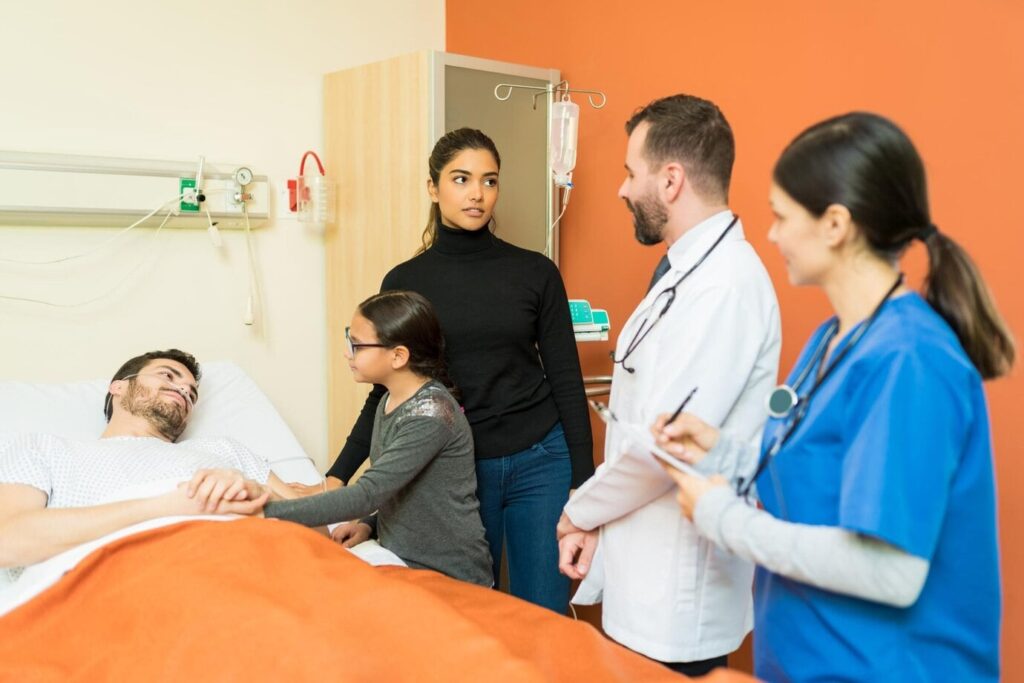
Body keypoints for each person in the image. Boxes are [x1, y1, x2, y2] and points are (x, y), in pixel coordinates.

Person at [654, 112, 1014, 681]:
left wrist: (724, 519)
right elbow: (821, 473)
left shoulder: (910, 360)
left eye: (781, 217)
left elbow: (890, 571)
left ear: (835, 224)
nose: (770, 235)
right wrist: (724, 453)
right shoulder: (836, 338)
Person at [309, 128, 593, 610]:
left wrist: (584, 486)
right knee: (474, 611)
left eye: (489, 181)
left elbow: (566, 378)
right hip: (460, 468)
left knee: (544, 613)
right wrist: (337, 476)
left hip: (540, 460)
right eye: (461, 179)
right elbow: (389, 392)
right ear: (433, 187)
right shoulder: (406, 282)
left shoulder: (535, 272)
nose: (477, 193)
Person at [555, 94, 781, 676]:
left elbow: (664, 445)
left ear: (671, 179)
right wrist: (598, 521)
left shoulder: (724, 287)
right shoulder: (686, 273)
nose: (623, 189)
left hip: (680, 592)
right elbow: (643, 419)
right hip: (644, 568)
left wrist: (580, 511)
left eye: (632, 173)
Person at [264, 291, 493, 586]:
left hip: (451, 572)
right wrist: (369, 525)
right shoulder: (390, 400)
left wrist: (267, 511)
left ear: (398, 355)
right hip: (405, 561)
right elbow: (403, 490)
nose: (348, 353)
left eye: (357, 345)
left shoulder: (431, 414)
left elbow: (367, 494)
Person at [0, 349, 287, 572]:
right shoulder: (45, 449)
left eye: (192, 391)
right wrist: (169, 508)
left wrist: (262, 496)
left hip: (250, 575)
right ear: (118, 387)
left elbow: (317, 526)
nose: (185, 390)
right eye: (168, 376)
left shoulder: (224, 451)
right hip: (108, 593)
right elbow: (8, 541)